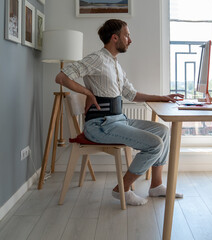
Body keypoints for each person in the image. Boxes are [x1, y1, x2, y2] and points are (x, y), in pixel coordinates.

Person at [55, 19, 183, 206]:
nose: (130, 40)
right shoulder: (97, 58)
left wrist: (161, 97)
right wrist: (87, 92)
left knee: (163, 132)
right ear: (115, 38)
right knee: (154, 144)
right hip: (100, 124)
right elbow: (61, 76)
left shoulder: (115, 64)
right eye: (127, 35)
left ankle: (156, 186)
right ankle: (121, 188)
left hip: (118, 120)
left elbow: (131, 94)